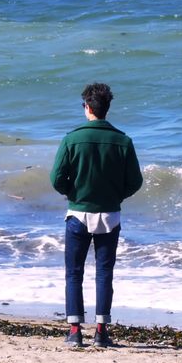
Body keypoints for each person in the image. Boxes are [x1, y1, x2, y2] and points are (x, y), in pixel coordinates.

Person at [50, 82, 143, 348]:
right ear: (106, 108)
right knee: (104, 273)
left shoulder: (71, 139)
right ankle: (102, 332)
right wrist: (116, 197)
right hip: (110, 216)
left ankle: (75, 331)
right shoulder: (123, 141)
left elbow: (56, 179)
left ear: (87, 108)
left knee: (74, 273)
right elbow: (135, 181)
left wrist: (74, 194)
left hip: (78, 213)